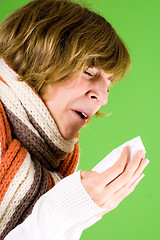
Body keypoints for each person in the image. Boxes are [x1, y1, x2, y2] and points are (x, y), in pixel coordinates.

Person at [0, 0, 149, 239]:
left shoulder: (57, 172)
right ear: (38, 59)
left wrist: (77, 210)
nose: (102, 98)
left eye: (108, 87)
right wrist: (61, 212)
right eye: (89, 73)